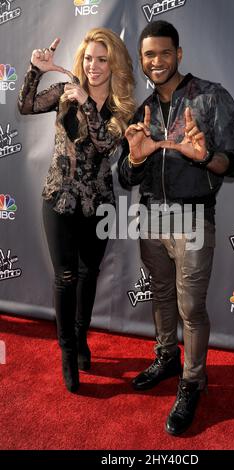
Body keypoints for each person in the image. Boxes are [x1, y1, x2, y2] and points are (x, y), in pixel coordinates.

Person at [118, 20, 234, 435]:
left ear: (179, 53)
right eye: (149, 55)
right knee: (160, 295)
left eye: (164, 52)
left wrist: (205, 156)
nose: (157, 61)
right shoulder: (144, 111)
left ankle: (193, 381)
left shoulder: (210, 98)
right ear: (141, 62)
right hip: (151, 218)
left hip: (193, 218)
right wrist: (136, 158)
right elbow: (126, 176)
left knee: (190, 307)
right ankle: (166, 356)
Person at [18, 28, 135, 393]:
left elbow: (105, 145)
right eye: (88, 59)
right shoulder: (64, 95)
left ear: (113, 64)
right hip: (58, 198)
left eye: (102, 59)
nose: (94, 66)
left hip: (99, 204)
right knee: (65, 276)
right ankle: (68, 352)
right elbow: (26, 105)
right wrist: (37, 70)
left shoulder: (122, 108)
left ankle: (81, 337)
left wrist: (87, 100)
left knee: (90, 273)